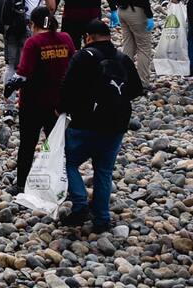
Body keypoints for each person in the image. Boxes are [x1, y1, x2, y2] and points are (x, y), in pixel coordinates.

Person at [58, 20, 144, 230]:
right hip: (116, 123)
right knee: (104, 171)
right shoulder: (123, 58)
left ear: (89, 37)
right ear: (108, 36)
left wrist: (61, 110)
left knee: (67, 162)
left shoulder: (82, 57)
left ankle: (80, 204)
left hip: (85, 122)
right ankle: (102, 219)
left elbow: (67, 88)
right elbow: (136, 90)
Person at [5, 6, 74, 193]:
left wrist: (10, 86)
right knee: (56, 145)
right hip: (58, 103)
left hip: (33, 102)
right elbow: (72, 65)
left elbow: (23, 73)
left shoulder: (33, 43)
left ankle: (21, 184)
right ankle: (59, 183)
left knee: (27, 145)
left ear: (32, 24)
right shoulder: (66, 38)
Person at [1, 0, 56, 100]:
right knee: (32, 65)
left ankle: (9, 107)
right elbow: (51, 6)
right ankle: (28, 100)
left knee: (11, 65)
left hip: (10, 24)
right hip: (31, 25)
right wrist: (46, 26)